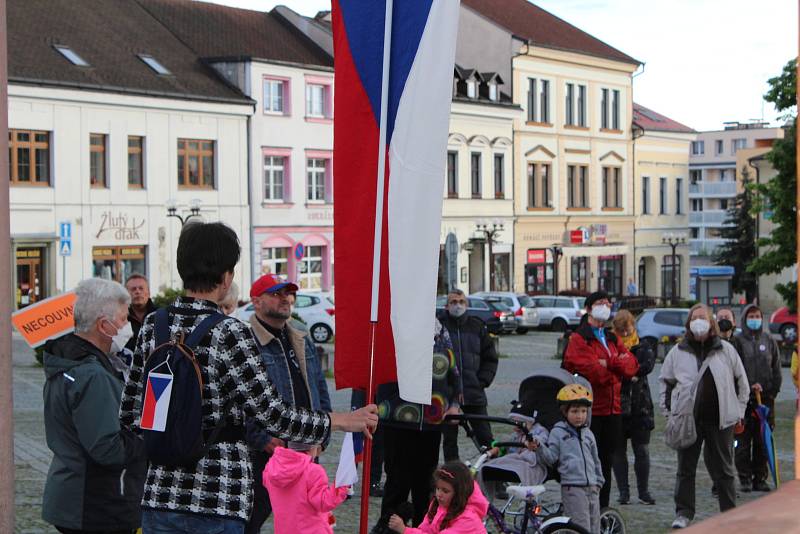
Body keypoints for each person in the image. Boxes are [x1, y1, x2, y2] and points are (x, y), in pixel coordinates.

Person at [119, 222, 377, 533]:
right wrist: (342, 421)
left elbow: (131, 415)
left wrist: (173, 435)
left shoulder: (152, 326)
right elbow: (274, 416)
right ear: (226, 277)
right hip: (218, 498)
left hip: (159, 495)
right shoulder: (231, 332)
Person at [42, 278, 147, 534]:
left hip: (77, 495)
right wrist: (147, 438)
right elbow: (108, 449)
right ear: (104, 325)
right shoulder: (92, 374)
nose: (127, 326)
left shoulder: (69, 360)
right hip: (95, 504)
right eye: (123, 319)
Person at [244, 273, 332, 534]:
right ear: (256, 302)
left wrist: (322, 436)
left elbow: (320, 390)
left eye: (288, 293)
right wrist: (262, 439)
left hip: (306, 452)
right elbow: (240, 400)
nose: (285, 299)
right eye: (276, 293)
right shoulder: (247, 342)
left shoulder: (301, 338)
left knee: (306, 521)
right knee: (252, 519)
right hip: (268, 453)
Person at [659, 303, 749, 529]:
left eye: (703, 317)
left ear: (712, 323)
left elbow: (742, 384)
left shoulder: (726, 350)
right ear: (689, 323)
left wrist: (738, 412)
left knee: (725, 470)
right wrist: (669, 413)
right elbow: (666, 383)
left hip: (721, 421)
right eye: (694, 317)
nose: (698, 321)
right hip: (688, 421)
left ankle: (729, 514)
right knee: (685, 469)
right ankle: (683, 512)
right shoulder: (677, 352)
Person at [373, 319, 462, 531]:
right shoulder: (398, 322)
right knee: (397, 482)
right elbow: (381, 366)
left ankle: (423, 528)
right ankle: (389, 527)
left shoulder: (440, 329)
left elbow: (453, 372)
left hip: (431, 420)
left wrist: (455, 404)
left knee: (426, 485)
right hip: (398, 419)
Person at [562, 291, 638, 508]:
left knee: (606, 462)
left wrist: (610, 363)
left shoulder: (612, 337)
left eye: (608, 303)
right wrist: (616, 367)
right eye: (600, 303)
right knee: (588, 462)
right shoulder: (579, 338)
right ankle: (587, 506)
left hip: (613, 411)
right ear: (588, 309)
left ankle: (602, 508)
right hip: (589, 412)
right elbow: (594, 373)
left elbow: (632, 365)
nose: (605, 306)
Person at [530, 384, 603, 534]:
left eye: (583, 411)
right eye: (575, 411)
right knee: (580, 526)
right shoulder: (558, 432)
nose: (580, 416)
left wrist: (599, 481)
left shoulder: (588, 434)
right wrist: (539, 447)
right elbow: (551, 458)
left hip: (592, 487)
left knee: (595, 525)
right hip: (573, 487)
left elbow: (596, 460)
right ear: (565, 412)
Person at [438, 288, 498, 461]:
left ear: (467, 304)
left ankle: (495, 477)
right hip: (447, 396)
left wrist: (482, 381)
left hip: (474, 392)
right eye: (453, 302)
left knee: (486, 438)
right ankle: (453, 478)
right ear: (447, 306)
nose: (458, 305)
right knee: (449, 442)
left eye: (461, 302)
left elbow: (490, 358)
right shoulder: (439, 326)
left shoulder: (476, 326)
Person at [732, 304, 782, 492]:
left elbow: (776, 369)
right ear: (745, 319)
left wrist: (771, 391)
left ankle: (759, 478)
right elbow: (735, 369)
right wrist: (747, 387)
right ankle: (744, 478)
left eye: (757, 316)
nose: (755, 319)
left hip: (765, 400)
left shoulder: (769, 340)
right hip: (744, 400)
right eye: (751, 316)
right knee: (743, 442)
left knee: (762, 441)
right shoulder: (738, 342)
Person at [611, 310, 657, 505]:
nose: (625, 333)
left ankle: (643, 491)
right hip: (617, 406)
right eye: (621, 330)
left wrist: (627, 369)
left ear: (633, 326)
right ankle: (624, 492)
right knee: (618, 452)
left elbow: (647, 365)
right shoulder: (611, 346)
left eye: (627, 328)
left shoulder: (643, 345)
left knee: (642, 450)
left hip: (640, 407)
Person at [262, 442, 349, 534]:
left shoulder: (272, 467)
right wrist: (343, 484)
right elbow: (324, 502)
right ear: (312, 448)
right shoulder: (313, 471)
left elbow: (266, 482)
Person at [387, 462, 489, 534]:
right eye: (438, 488)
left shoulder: (468, 518)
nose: (439, 494)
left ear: (459, 493)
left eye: (445, 491)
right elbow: (425, 530)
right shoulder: (438, 505)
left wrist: (405, 530)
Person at [477, 401, 549, 499]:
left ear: (531, 421)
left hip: (531, 464)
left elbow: (540, 441)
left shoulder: (540, 431)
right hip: (513, 462)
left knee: (526, 469)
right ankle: (485, 501)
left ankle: (527, 504)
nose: (516, 428)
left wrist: (532, 442)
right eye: (514, 424)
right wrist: (498, 448)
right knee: (484, 468)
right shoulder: (516, 435)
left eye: (519, 424)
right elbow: (507, 445)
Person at [123, 273, 158, 352]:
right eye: (133, 289)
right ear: (126, 294)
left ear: (149, 293)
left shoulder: (160, 316)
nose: (137, 292)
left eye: (141, 288)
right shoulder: (121, 319)